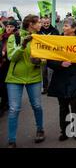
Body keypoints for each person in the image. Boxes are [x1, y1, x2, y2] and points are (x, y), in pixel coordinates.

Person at [5, 14, 45, 148]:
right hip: (15, 78)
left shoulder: (40, 38)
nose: (41, 24)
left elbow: (45, 58)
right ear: (30, 24)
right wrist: (22, 45)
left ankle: (40, 130)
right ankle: (11, 140)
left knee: (37, 106)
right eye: (38, 22)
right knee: (14, 109)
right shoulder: (14, 37)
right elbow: (11, 57)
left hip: (34, 77)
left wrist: (40, 61)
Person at [47, 18, 76, 141]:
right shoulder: (56, 41)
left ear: (74, 29)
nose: (63, 28)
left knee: (75, 105)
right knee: (63, 106)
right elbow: (49, 59)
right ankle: (64, 130)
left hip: (75, 76)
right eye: (63, 26)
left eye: (67, 26)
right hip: (60, 77)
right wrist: (60, 64)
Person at [0, 20, 19, 117]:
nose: (9, 28)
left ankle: (4, 105)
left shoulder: (16, 37)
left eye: (11, 26)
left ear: (15, 28)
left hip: (9, 64)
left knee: (4, 86)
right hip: (1, 64)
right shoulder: (2, 37)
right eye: (7, 26)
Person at [38, 16, 60, 95]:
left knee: (51, 73)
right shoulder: (38, 31)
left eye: (47, 23)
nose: (46, 25)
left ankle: (52, 88)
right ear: (41, 23)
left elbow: (58, 42)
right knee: (43, 73)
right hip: (42, 55)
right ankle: (45, 88)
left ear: (50, 22)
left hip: (52, 56)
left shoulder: (55, 31)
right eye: (44, 23)